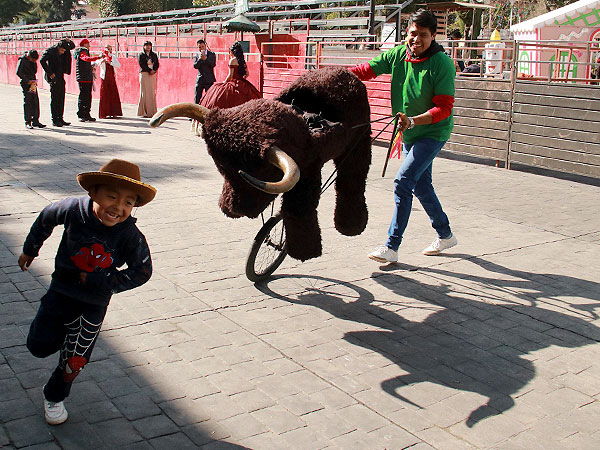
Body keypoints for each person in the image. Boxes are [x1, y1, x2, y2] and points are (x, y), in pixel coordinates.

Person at [18, 158, 156, 425]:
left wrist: (106, 282)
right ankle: (57, 334)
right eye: (111, 196)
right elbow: (46, 216)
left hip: (93, 304)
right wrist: (30, 248)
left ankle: (55, 397)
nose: (118, 207)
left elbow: (143, 270)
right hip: (60, 292)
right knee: (38, 346)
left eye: (128, 202)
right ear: (93, 192)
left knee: (75, 359)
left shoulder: (130, 235)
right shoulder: (71, 209)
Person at [349, 9, 458, 264]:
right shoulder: (399, 54)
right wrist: (336, 76)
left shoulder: (442, 64)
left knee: (403, 182)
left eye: (423, 35)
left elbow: (444, 108)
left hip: (432, 132)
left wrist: (413, 121)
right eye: (412, 34)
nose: (416, 40)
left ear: (433, 36)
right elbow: (368, 69)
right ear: (406, 33)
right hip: (409, 131)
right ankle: (446, 234)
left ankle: (392, 246)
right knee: (421, 185)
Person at [199, 41, 261, 109]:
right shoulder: (242, 61)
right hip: (242, 82)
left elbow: (230, 75)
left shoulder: (232, 60)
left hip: (233, 82)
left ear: (232, 51)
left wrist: (224, 82)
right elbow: (247, 74)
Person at [40, 38, 75, 127]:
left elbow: (72, 46)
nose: (63, 52)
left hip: (60, 75)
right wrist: (50, 73)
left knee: (61, 97)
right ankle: (55, 119)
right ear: (58, 47)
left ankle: (60, 118)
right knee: (55, 98)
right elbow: (42, 61)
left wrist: (68, 41)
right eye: (62, 50)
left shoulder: (63, 49)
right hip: (53, 76)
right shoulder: (51, 51)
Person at [16, 49, 45, 129]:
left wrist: (33, 63)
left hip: (32, 82)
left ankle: (36, 120)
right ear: (29, 56)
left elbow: (34, 71)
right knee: (28, 101)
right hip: (26, 83)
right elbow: (18, 72)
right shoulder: (22, 60)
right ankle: (28, 121)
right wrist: (26, 80)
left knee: (35, 101)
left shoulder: (33, 61)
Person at [74, 39, 101, 122]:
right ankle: (82, 114)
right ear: (84, 44)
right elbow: (86, 59)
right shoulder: (81, 52)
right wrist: (97, 57)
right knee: (84, 97)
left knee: (87, 96)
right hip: (83, 77)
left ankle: (86, 114)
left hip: (86, 77)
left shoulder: (82, 51)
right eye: (88, 44)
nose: (89, 45)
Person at [97, 44, 123, 119]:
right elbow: (97, 63)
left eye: (110, 49)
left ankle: (114, 112)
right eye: (108, 49)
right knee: (104, 94)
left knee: (113, 94)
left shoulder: (113, 56)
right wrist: (103, 60)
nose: (109, 50)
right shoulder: (101, 56)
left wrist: (110, 62)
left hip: (111, 77)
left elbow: (118, 65)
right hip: (104, 77)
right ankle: (104, 113)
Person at [137, 41, 159, 118]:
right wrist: (149, 70)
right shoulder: (141, 55)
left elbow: (157, 64)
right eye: (146, 45)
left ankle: (152, 111)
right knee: (144, 92)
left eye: (149, 45)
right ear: (144, 46)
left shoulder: (154, 55)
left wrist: (154, 70)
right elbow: (141, 64)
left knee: (151, 92)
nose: (148, 47)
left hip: (152, 74)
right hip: (144, 73)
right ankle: (144, 111)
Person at [193, 39, 216, 103]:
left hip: (209, 80)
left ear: (205, 46)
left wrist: (206, 59)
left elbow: (213, 64)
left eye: (202, 46)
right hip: (200, 80)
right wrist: (200, 59)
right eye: (199, 47)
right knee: (197, 98)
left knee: (209, 99)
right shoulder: (196, 55)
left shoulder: (211, 54)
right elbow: (195, 66)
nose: (201, 48)